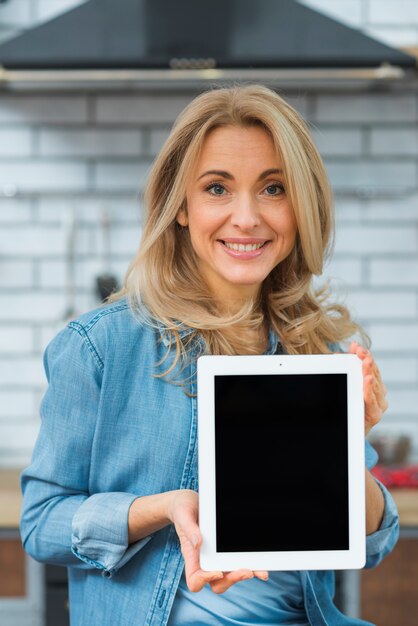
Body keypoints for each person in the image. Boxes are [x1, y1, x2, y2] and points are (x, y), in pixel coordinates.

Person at [20, 84, 398, 626]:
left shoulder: (317, 349)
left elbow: (372, 542)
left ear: (301, 206)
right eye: (217, 188)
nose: (246, 218)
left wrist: (346, 445)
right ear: (180, 206)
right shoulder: (99, 348)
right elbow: (40, 524)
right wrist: (164, 509)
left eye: (273, 188)